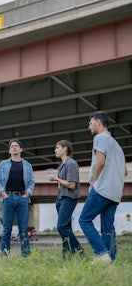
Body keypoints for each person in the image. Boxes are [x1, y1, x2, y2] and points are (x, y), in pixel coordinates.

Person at [79, 111, 127, 265]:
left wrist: (94, 182)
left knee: (84, 220)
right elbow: (125, 171)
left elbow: (100, 162)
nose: (89, 127)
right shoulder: (117, 145)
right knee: (108, 227)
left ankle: (101, 253)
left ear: (98, 122)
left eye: (90, 123)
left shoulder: (100, 138)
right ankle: (109, 260)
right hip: (115, 192)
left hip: (102, 189)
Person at [0, 139, 35, 257]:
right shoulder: (3, 164)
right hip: (8, 198)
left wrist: (27, 193)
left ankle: (26, 255)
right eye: (12, 146)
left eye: (16, 146)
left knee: (23, 229)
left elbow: (32, 181)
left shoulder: (27, 165)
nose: (14, 148)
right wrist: (3, 193)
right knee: (7, 229)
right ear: (9, 150)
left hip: (22, 198)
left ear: (21, 149)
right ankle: (4, 255)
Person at [48, 140, 84, 259]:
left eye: (57, 147)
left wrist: (56, 179)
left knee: (61, 227)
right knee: (66, 228)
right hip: (61, 199)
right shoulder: (61, 166)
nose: (55, 150)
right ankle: (67, 256)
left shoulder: (71, 164)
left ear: (65, 149)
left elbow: (72, 185)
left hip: (69, 199)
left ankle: (80, 252)